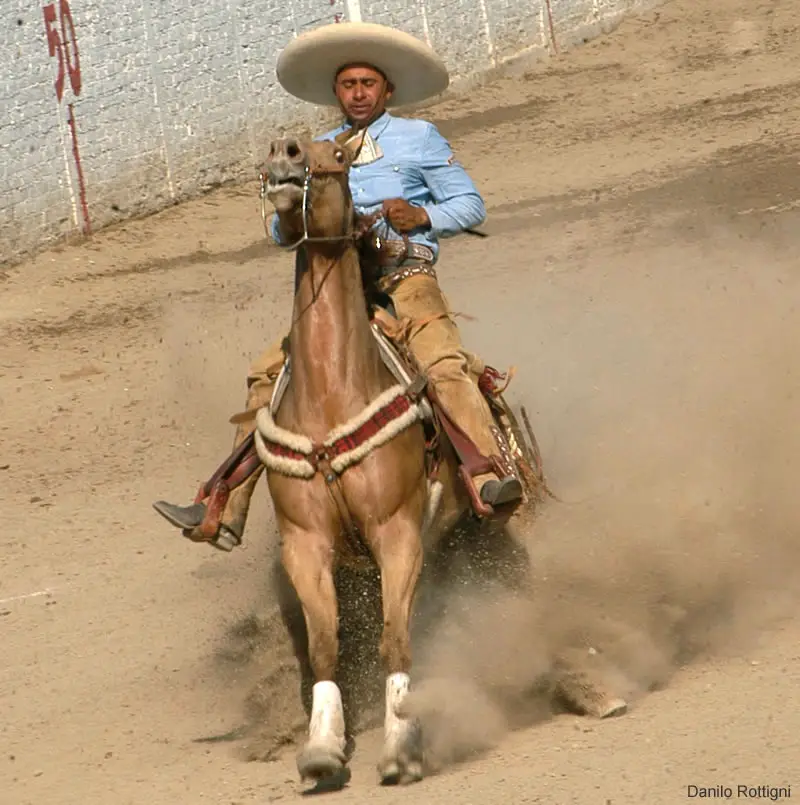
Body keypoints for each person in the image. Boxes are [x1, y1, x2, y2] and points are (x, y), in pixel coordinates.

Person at [153, 21, 522, 549]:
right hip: (332, 289)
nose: (358, 94)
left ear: (387, 90)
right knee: (266, 376)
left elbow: (471, 206)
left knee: (442, 364)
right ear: (336, 92)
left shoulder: (419, 138)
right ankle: (223, 505)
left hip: (405, 282)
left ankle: (485, 478)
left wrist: (421, 215)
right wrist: (286, 209)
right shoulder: (315, 152)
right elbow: (287, 236)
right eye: (348, 85)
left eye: (367, 84)